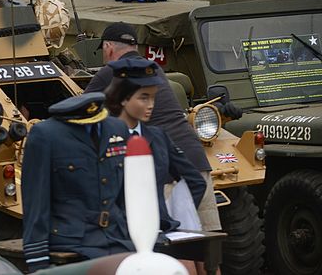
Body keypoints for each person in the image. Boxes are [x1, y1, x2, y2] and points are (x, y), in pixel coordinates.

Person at [83, 22, 221, 233]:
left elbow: (80, 112)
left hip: (166, 171)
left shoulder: (111, 71)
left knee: (170, 247)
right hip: (196, 160)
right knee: (208, 245)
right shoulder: (154, 69)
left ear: (108, 47)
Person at [22, 92, 133, 272]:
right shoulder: (46, 135)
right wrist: (38, 262)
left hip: (119, 238)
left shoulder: (117, 128)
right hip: (73, 242)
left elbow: (126, 194)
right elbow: (36, 201)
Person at [104, 58, 206, 236]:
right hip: (116, 238)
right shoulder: (101, 137)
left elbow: (195, 181)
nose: (151, 105)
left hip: (158, 234)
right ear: (123, 99)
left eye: (153, 97)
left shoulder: (158, 137)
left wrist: (174, 218)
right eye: (144, 97)